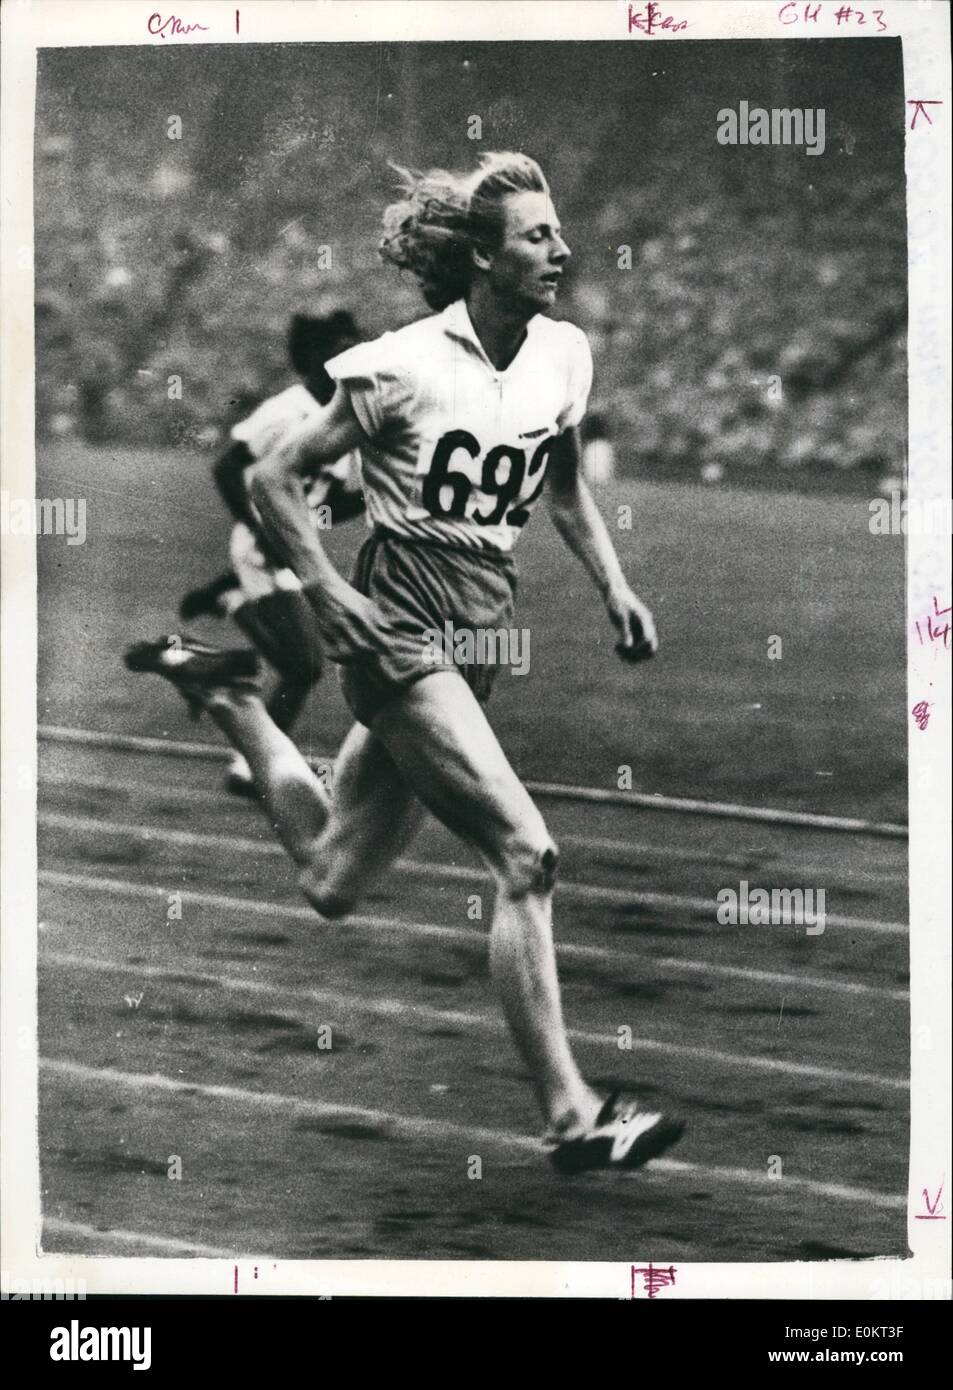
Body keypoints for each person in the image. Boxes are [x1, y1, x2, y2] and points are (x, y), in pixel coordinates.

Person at [126, 152, 684, 1173]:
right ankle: (572, 1114)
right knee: (526, 856)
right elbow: (271, 473)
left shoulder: (561, 354)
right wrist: (331, 595)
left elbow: (559, 486)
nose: (560, 248)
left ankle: (232, 701)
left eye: (556, 230)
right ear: (481, 255)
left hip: (475, 640)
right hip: (398, 631)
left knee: (333, 878)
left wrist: (614, 586)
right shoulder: (403, 362)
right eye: (534, 235)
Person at [178, 311, 366, 793]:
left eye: (353, 348)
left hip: (293, 549)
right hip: (265, 547)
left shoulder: (342, 417)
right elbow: (227, 467)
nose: (346, 358)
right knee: (304, 666)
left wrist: (380, 496)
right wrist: (257, 528)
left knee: (299, 666)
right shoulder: (287, 410)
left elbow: (332, 501)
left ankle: (231, 600)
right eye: (335, 350)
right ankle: (249, 767)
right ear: (310, 359)